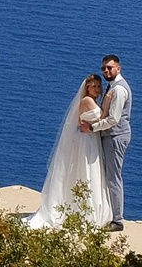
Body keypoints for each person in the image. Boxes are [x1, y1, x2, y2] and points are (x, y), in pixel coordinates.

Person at [25, 73, 109, 229]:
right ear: (87, 88)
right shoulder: (87, 101)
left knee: (90, 171)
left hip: (90, 138)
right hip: (87, 140)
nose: (97, 89)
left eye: (99, 86)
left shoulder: (91, 101)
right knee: (87, 171)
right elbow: (102, 119)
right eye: (94, 87)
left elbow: (79, 119)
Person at [78, 55, 133, 230]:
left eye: (110, 68)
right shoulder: (113, 87)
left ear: (118, 68)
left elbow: (113, 119)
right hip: (111, 136)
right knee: (109, 175)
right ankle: (110, 213)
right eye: (104, 68)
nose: (106, 71)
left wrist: (93, 128)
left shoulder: (118, 90)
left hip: (115, 136)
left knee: (113, 177)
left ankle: (117, 220)